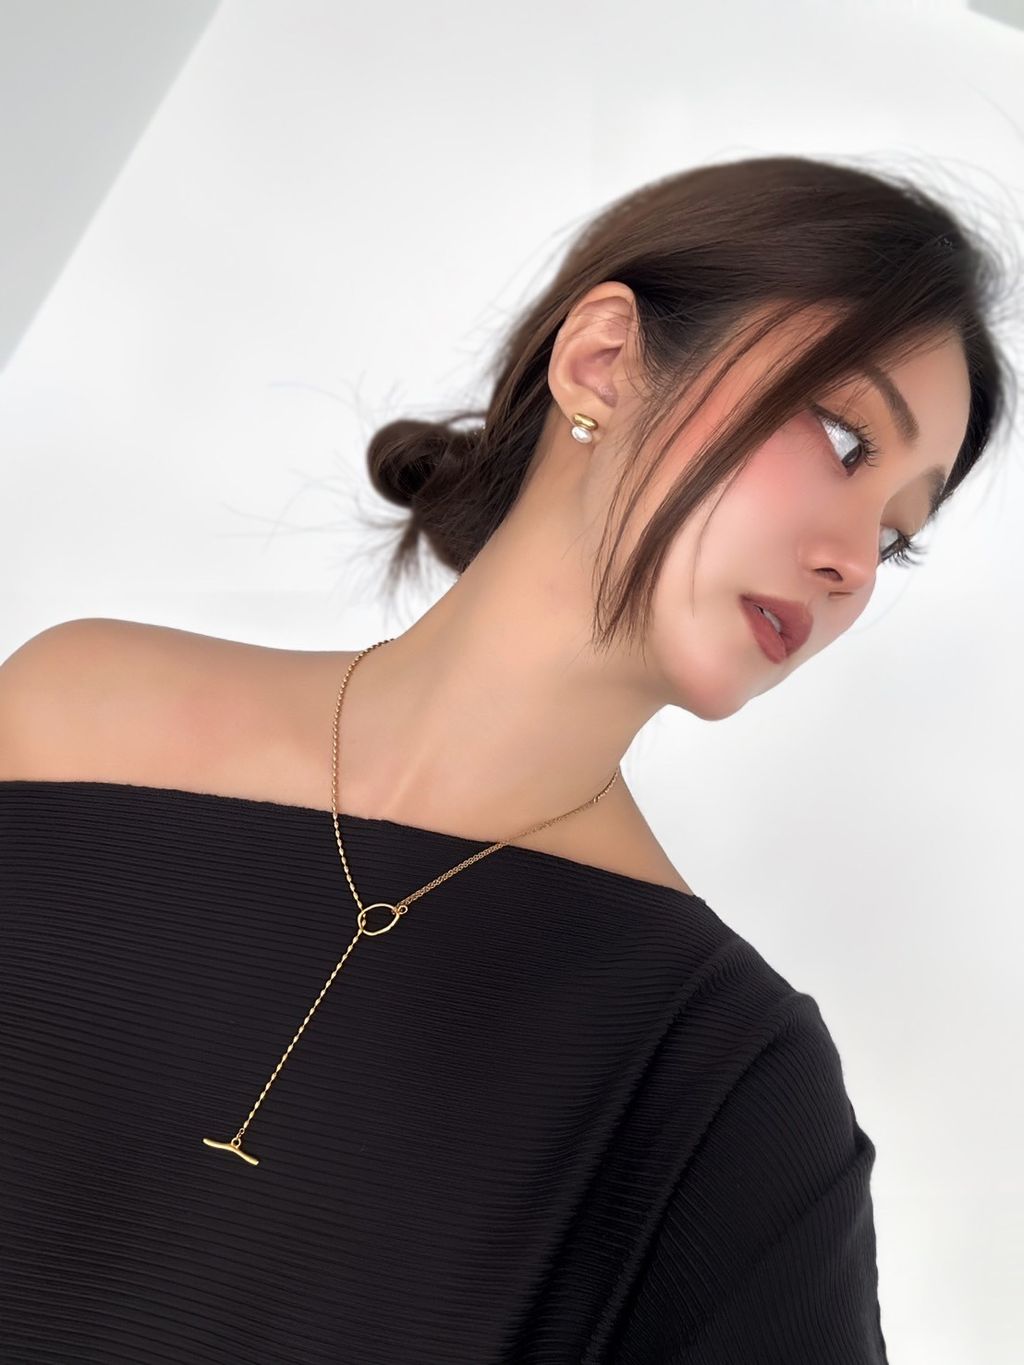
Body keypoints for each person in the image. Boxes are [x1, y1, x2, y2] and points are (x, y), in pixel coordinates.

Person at [0, 153, 1012, 1363]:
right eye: (844, 440)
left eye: (896, 536)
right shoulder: (68, 718)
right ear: (604, 360)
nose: (851, 561)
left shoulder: (718, 1077)